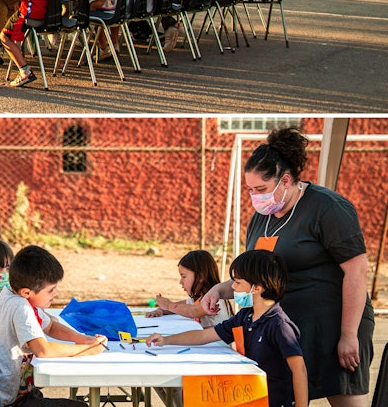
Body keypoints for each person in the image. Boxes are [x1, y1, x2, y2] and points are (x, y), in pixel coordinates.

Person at [201, 127, 374, 406]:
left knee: (345, 399)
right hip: (287, 329)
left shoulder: (327, 208)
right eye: (250, 190)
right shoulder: (262, 218)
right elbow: (254, 277)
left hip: (333, 325)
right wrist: (219, 291)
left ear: (285, 180)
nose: (255, 197)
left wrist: (348, 335)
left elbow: (357, 270)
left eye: (261, 189)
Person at [147, 250, 308, 407]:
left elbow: (299, 369)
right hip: (248, 397)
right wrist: (166, 339)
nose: (233, 289)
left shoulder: (279, 325)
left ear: (257, 288)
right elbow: (203, 336)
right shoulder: (244, 317)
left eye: (237, 283)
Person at [0, 245, 107, 407]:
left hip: (16, 393)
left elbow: (50, 327)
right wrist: (86, 350)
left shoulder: (10, 292)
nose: (55, 294)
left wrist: (83, 339)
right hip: (9, 401)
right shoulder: (21, 307)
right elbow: (43, 350)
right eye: (51, 290)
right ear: (26, 292)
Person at [146, 249, 231, 328]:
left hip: (217, 344)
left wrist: (168, 305)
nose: (180, 282)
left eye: (184, 276)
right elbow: (182, 306)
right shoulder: (197, 298)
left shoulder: (214, 298)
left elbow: (193, 312)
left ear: (200, 276)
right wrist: (161, 310)